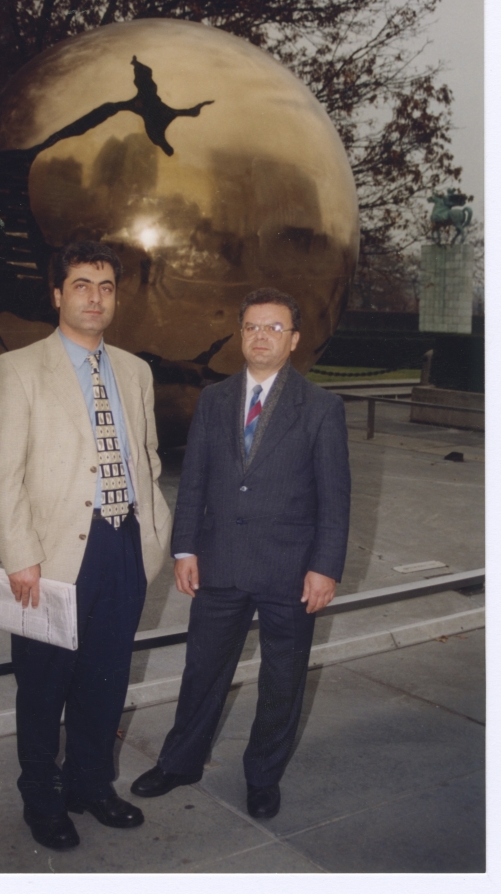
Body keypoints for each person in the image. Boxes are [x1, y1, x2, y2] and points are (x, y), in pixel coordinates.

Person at [131, 287, 350, 820]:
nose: (261, 336)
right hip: (220, 561)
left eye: (274, 328)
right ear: (241, 334)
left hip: (290, 570)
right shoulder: (215, 399)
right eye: (252, 326)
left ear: (293, 340)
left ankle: (262, 777)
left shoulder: (322, 408)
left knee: (282, 680)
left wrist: (325, 567)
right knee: (202, 671)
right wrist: (185, 548)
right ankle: (180, 762)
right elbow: (195, 480)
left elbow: (334, 496)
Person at [0, 240, 171, 851]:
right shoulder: (18, 369)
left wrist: (154, 532)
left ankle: (91, 784)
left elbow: (147, 457)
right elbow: (2, 474)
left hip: (125, 546)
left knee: (106, 680)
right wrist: (21, 556)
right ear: (58, 294)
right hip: (53, 556)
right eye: (83, 285)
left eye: (106, 287)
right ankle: (42, 798)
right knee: (43, 687)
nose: (96, 298)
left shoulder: (135, 371)